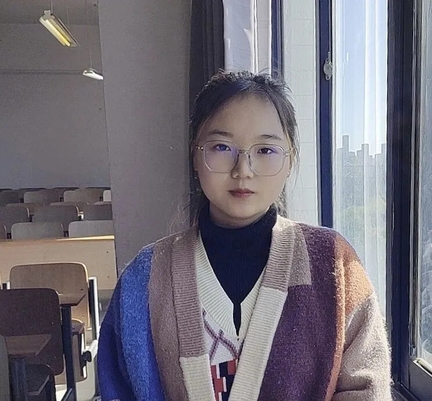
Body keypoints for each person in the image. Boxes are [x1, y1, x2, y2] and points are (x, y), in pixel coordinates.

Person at [98, 71, 392, 401]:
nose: (243, 170)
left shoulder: (333, 265)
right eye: (222, 147)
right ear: (195, 156)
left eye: (265, 150)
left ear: (290, 159)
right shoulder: (145, 278)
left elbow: (367, 388)